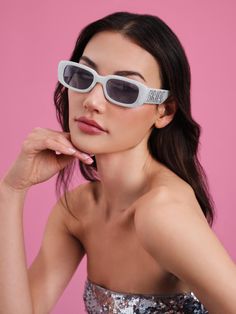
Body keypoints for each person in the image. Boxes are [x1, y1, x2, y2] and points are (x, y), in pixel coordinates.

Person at [0, 11, 236, 314]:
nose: (92, 101)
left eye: (124, 89)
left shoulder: (161, 212)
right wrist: (10, 191)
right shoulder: (77, 210)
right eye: (83, 77)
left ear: (163, 111)